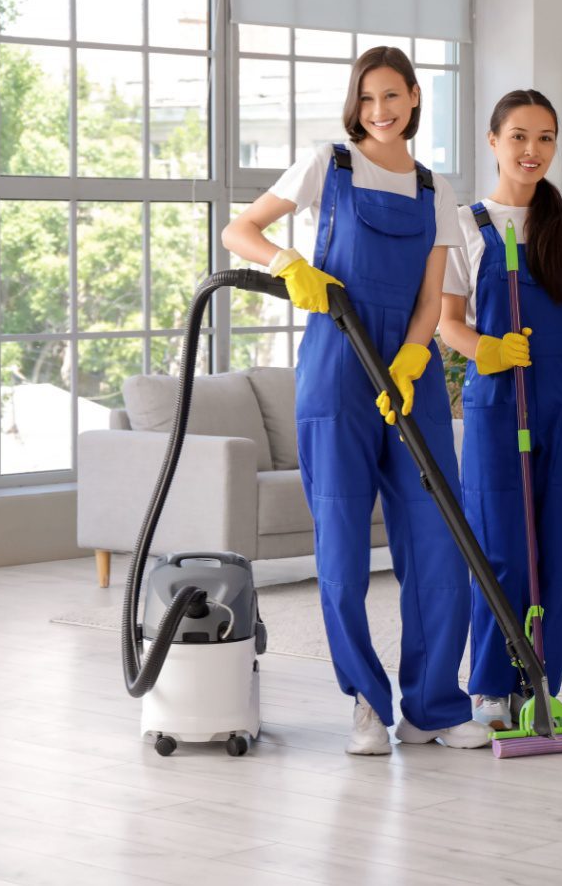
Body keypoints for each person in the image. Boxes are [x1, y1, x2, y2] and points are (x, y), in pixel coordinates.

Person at [222, 47, 489, 755]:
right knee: (340, 544)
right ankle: (367, 705)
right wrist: (288, 265)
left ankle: (434, 705)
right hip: (337, 363)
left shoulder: (436, 187)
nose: (380, 111)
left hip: (410, 371)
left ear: (412, 100)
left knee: (437, 538)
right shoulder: (328, 165)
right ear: (355, 102)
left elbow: (434, 296)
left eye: (392, 96)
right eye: (368, 98)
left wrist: (411, 355)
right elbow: (239, 230)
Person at [439, 89, 562, 730]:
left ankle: (539, 684)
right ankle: (488, 686)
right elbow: (447, 322)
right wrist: (485, 349)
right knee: (501, 546)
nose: (531, 150)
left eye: (544, 138)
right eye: (518, 136)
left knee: (560, 548)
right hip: (497, 398)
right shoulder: (464, 224)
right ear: (493, 141)